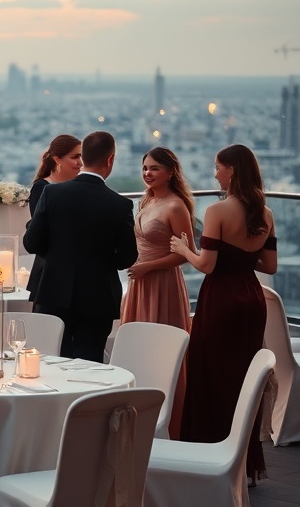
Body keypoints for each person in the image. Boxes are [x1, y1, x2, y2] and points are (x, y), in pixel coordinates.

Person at [169, 144, 276, 485]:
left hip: (222, 300)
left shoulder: (217, 211)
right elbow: (269, 265)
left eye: (218, 167)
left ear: (231, 170)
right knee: (245, 378)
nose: (214, 173)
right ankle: (244, 463)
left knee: (210, 373)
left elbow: (207, 265)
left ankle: (210, 453)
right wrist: (243, 254)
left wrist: (185, 248)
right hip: (251, 298)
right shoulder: (266, 213)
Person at [23, 131, 137, 362]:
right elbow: (127, 258)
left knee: (53, 361)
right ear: (110, 159)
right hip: (98, 295)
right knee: (90, 363)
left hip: (54, 289)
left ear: (83, 157)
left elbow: (31, 243)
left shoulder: (52, 193)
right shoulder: (120, 204)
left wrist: (59, 254)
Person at [121, 146, 195, 438]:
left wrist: (148, 268)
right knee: (137, 348)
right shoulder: (146, 200)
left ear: (170, 172)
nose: (148, 173)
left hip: (162, 284)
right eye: (145, 168)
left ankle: (168, 424)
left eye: (154, 168)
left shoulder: (176, 206)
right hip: (140, 282)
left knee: (161, 352)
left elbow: (185, 254)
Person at [25, 135, 82, 303]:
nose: (80, 162)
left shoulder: (78, 186)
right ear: (57, 159)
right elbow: (41, 230)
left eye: (81, 156)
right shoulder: (42, 187)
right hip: (51, 268)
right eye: (74, 157)